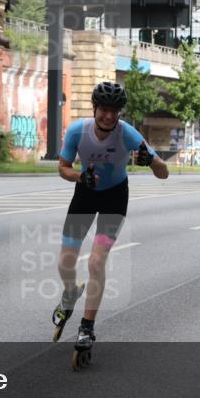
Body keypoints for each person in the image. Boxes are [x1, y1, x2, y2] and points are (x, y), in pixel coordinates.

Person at [53, 81, 169, 361]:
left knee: (95, 261)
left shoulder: (127, 134)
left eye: (114, 111)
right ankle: (70, 294)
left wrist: (150, 161)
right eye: (104, 109)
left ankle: (86, 327)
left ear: (119, 113)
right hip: (86, 191)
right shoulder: (77, 131)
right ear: (95, 108)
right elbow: (63, 168)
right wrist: (80, 177)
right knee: (65, 261)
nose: (108, 116)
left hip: (115, 198)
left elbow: (164, 173)